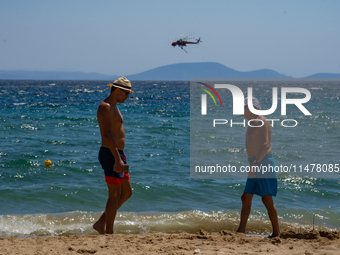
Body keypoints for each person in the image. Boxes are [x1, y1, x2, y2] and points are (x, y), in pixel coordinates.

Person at [93, 77, 134, 234]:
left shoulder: (114, 106)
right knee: (114, 195)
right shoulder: (106, 107)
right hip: (111, 154)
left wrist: (120, 156)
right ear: (118, 90)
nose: (128, 97)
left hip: (118, 154)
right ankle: (109, 232)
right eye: (126, 93)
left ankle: (101, 223)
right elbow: (108, 135)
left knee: (127, 192)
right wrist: (117, 158)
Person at [236, 97, 280, 238]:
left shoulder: (261, 120)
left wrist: (255, 163)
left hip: (262, 163)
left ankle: (276, 233)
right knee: (245, 197)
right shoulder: (252, 122)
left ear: (251, 108)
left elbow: (266, 145)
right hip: (255, 162)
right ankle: (241, 231)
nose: (240, 109)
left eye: (243, 107)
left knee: (266, 199)